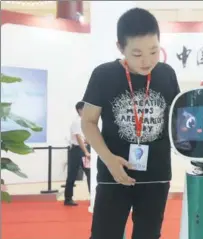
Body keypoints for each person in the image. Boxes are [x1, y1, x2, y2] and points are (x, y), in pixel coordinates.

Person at [81, 8, 180, 239]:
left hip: (156, 175)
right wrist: (109, 160)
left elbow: (179, 116)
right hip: (114, 173)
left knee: (149, 235)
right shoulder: (104, 75)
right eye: (137, 54)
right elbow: (88, 121)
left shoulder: (166, 74)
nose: (147, 61)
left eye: (154, 51)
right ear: (120, 48)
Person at [64, 101, 91, 206]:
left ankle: (93, 196)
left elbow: (85, 138)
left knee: (89, 173)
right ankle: (68, 198)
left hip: (83, 149)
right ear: (80, 110)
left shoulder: (84, 121)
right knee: (72, 174)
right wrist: (86, 152)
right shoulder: (77, 122)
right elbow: (78, 138)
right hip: (76, 151)